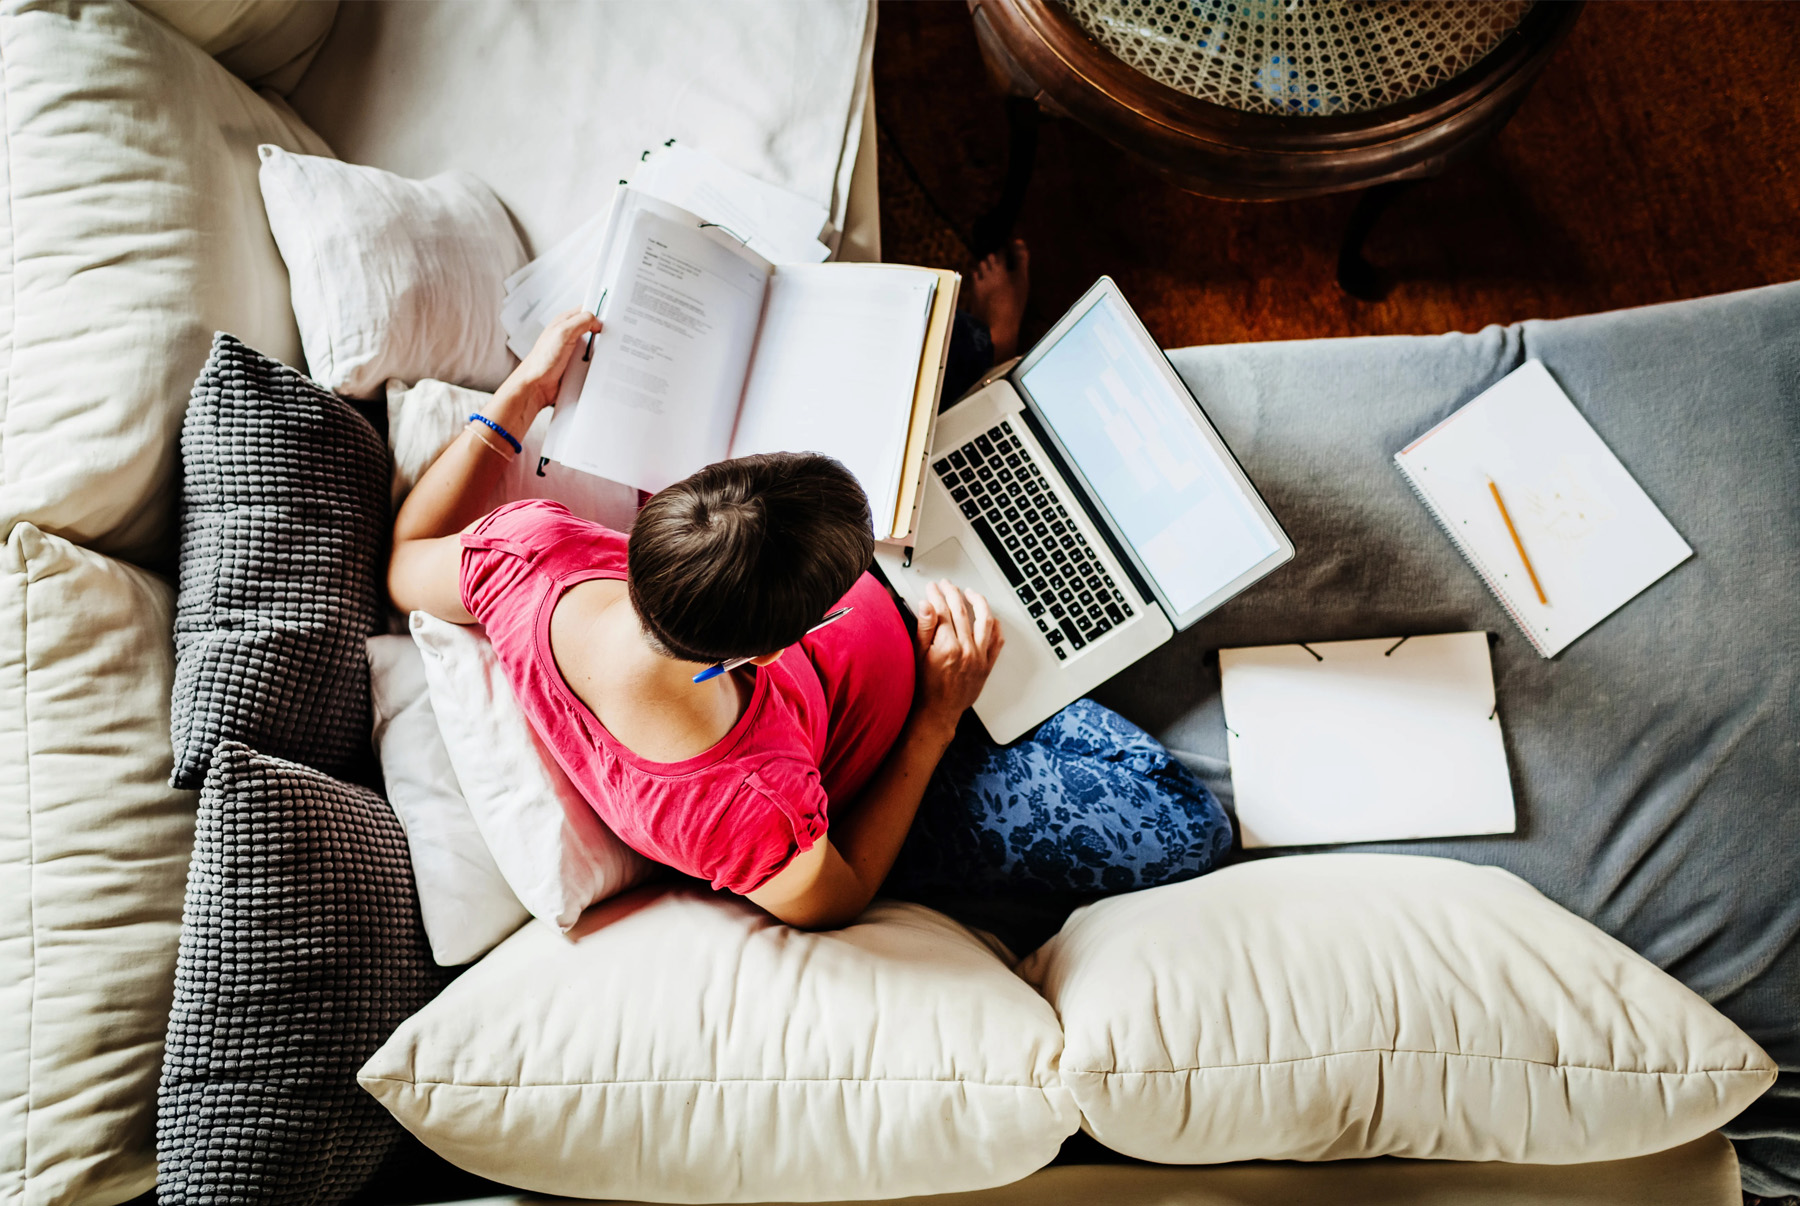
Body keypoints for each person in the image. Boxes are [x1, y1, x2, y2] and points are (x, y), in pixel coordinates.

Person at [389, 243, 1232, 934]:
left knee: (921, 360)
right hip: (918, 746)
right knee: (1185, 831)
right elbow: (842, 894)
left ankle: (987, 352)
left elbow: (406, 558)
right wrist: (938, 715)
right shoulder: (739, 805)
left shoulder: (528, 550)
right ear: (763, 651)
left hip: (874, 597)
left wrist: (519, 397)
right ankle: (988, 359)